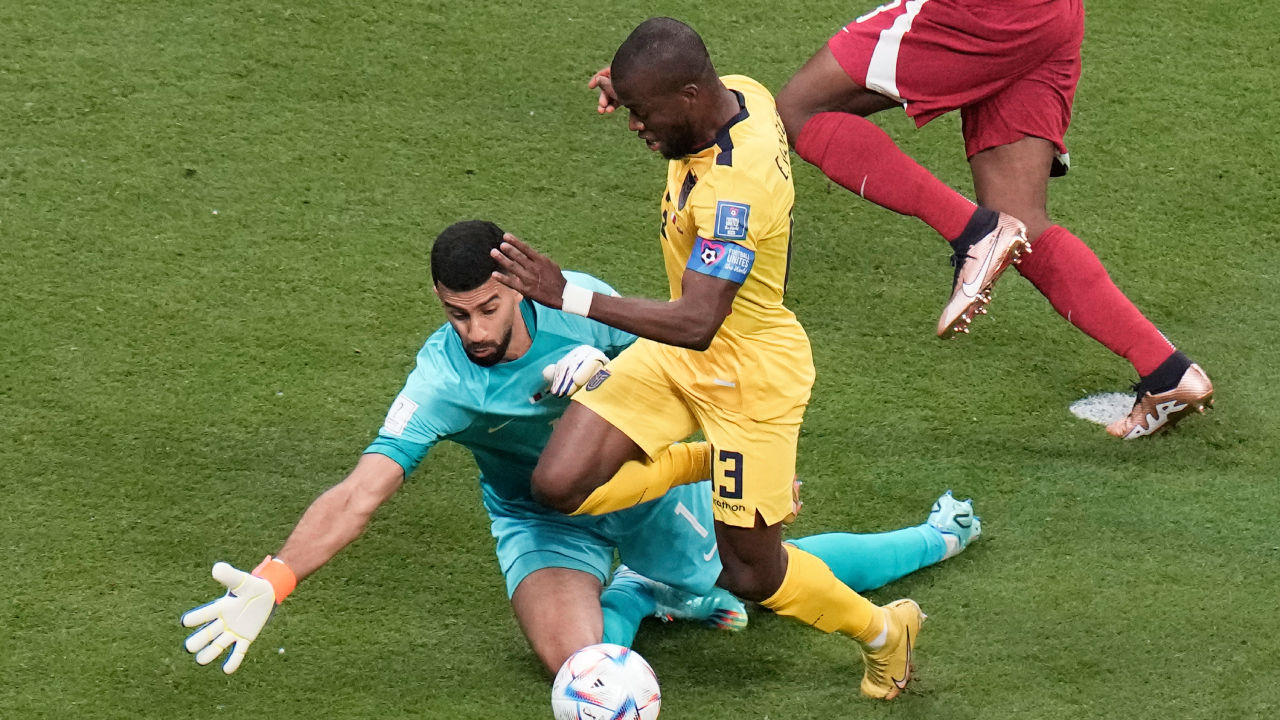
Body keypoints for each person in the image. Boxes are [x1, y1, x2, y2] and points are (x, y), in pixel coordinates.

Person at [180, 220, 983, 679]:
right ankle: (642, 595)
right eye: (458, 315)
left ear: (517, 287)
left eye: (490, 308)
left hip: (647, 485)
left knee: (760, 575)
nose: (478, 332)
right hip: (541, 520)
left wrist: (624, 378)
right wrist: (275, 578)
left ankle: (934, 536)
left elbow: (697, 368)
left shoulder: (579, 302)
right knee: (576, 668)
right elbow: (362, 490)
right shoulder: (441, 381)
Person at [490, 18, 928, 700]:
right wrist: (637, 91)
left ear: (691, 95)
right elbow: (687, 327)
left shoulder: (737, 191)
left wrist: (566, 295)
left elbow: (698, 321)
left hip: (748, 375)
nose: (637, 125)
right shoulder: (738, 95)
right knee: (555, 485)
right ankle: (707, 463)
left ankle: (883, 632)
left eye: (644, 112)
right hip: (675, 355)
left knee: (750, 575)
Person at [770, 0, 1213, 439]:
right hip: (1049, 16)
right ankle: (1167, 371)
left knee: (800, 109)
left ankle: (977, 234)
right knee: (1021, 220)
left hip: (987, 11)